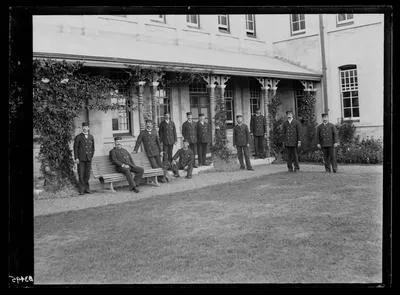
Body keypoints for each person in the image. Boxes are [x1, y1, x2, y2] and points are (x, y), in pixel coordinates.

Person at [73, 122, 95, 195]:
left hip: (88, 158)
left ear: (88, 128)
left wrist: (91, 156)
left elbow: (93, 148)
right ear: (82, 128)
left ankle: (87, 189)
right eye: (84, 127)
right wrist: (76, 158)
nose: (85, 128)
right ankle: (81, 189)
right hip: (81, 159)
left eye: (86, 127)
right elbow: (75, 148)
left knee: (87, 174)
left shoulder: (91, 137)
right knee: (81, 174)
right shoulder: (78, 137)